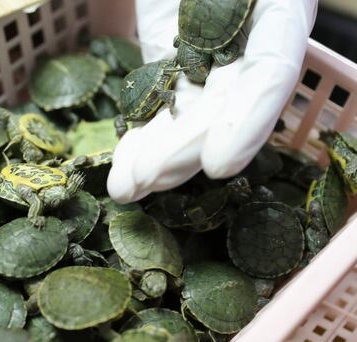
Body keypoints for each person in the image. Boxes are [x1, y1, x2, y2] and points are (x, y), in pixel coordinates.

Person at [108, 0, 318, 203]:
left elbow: (228, 54)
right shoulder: (182, 53)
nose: (199, 73)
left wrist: (172, 103)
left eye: (198, 69)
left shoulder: (183, 48)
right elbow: (225, 54)